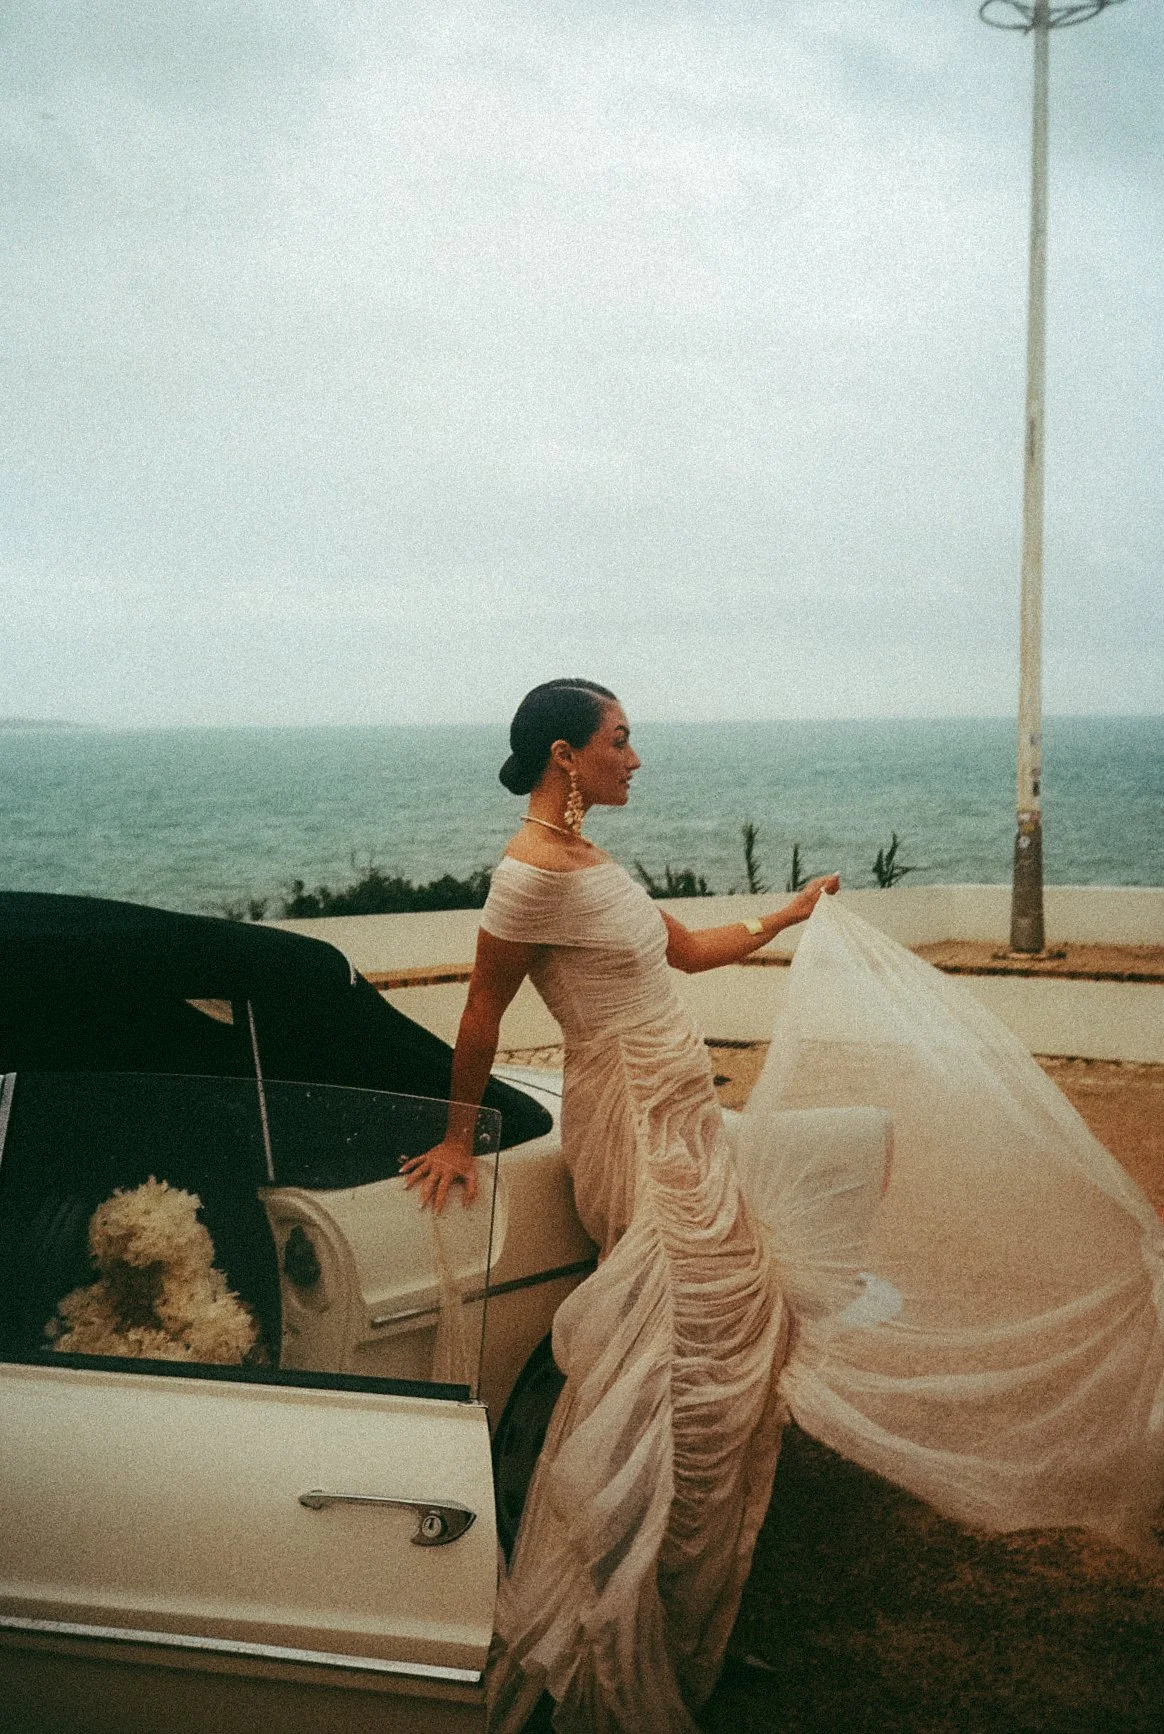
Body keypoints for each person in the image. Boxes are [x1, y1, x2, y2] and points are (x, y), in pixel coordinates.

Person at [402, 678, 880, 1732]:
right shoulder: (528, 874)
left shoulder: (590, 863)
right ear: (568, 755)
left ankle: (671, 1624)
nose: (637, 756)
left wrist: (790, 911)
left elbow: (688, 952)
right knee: (673, 1359)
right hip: (630, 1124)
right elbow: (482, 1010)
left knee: (737, 1341)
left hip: (683, 1110)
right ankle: (601, 1632)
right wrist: (454, 1133)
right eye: (623, 740)